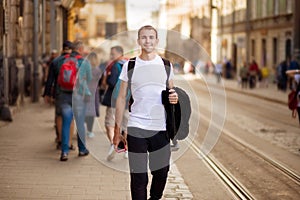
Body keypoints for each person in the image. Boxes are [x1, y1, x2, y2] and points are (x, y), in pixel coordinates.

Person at [113, 25, 179, 200]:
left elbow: (171, 94)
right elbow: (121, 98)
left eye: (151, 37)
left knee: (162, 173)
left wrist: (174, 98)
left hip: (160, 127)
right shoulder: (130, 65)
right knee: (139, 176)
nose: (147, 41)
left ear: (157, 41)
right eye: (144, 37)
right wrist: (117, 131)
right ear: (138, 41)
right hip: (136, 127)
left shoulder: (166, 65)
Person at [43, 41, 75, 150]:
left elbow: (50, 80)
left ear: (62, 49)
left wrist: (47, 94)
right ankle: (69, 143)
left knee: (59, 116)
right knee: (71, 118)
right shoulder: (77, 61)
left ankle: (61, 140)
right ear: (71, 49)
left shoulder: (56, 61)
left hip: (60, 93)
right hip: (74, 93)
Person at [102, 46, 129, 161]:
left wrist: (106, 79)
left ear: (119, 53)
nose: (111, 56)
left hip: (114, 100)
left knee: (110, 123)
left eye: (113, 54)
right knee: (125, 124)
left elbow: (112, 82)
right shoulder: (130, 65)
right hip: (127, 100)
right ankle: (127, 148)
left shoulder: (114, 66)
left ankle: (114, 144)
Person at [70, 40, 92, 161]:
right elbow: (89, 78)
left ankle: (64, 149)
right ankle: (82, 149)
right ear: (80, 49)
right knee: (80, 123)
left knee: (67, 121)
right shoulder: (84, 61)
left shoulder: (64, 59)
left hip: (65, 94)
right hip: (79, 94)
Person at [84, 52, 103, 138]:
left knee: (84, 110)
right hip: (94, 92)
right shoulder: (98, 70)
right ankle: (90, 131)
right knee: (92, 112)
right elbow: (100, 82)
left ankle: (82, 128)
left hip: (85, 91)